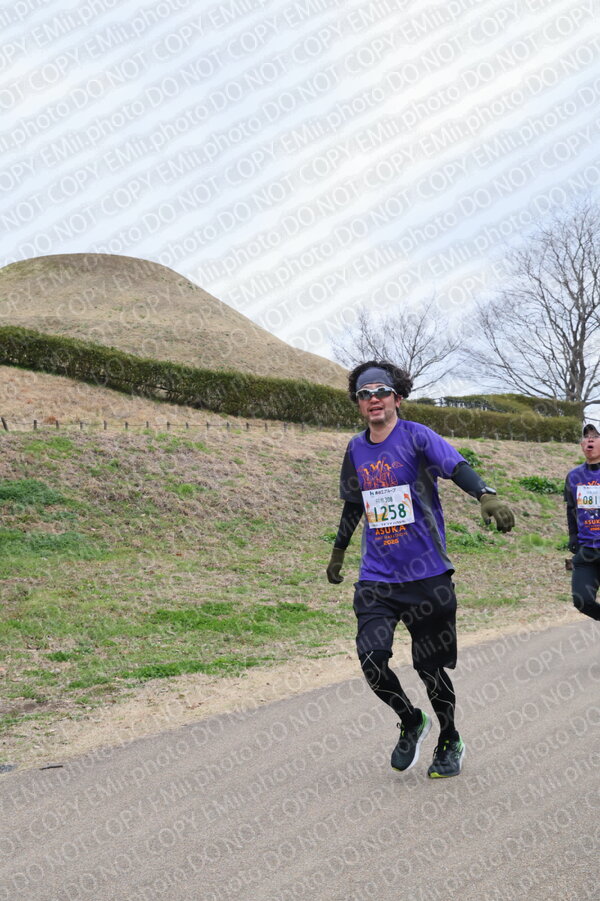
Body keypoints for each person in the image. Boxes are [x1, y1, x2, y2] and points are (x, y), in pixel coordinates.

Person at [326, 361, 515, 778]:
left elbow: (456, 466)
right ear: (358, 404)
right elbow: (355, 502)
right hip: (377, 579)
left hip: (427, 574)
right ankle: (411, 719)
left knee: (429, 669)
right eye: (364, 394)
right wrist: (338, 551)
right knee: (372, 661)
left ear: (397, 398)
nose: (373, 398)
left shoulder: (417, 436)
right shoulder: (356, 449)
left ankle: (450, 737)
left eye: (381, 391)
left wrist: (485, 494)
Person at [564, 422, 600, 621]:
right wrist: (573, 536)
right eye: (586, 436)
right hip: (588, 552)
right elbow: (571, 509)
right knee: (582, 601)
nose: (590, 440)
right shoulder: (574, 476)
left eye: (595, 436)